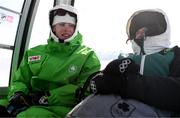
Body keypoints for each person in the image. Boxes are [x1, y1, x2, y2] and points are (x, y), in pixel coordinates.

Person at [67, 9, 180, 117]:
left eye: (147, 30)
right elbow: (109, 82)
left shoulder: (174, 55)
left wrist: (126, 84)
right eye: (137, 30)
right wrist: (101, 82)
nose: (140, 34)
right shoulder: (125, 59)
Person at [0, 4, 101, 117]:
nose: (66, 28)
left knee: (32, 115)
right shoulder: (34, 52)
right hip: (28, 101)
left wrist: (46, 98)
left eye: (71, 25)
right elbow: (20, 80)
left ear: (76, 28)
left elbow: (84, 89)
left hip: (62, 108)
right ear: (53, 27)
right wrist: (18, 94)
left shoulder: (87, 56)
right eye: (61, 24)